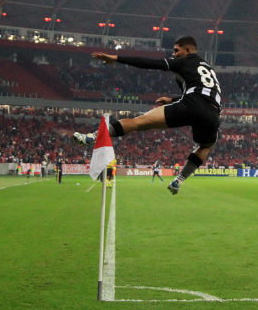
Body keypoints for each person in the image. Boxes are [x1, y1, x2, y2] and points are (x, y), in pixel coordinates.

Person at [74, 36, 221, 196]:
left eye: (176, 50)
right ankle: (179, 180)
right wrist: (172, 99)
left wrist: (116, 58)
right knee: (205, 146)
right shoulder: (209, 70)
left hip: (191, 105)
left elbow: (151, 63)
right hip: (213, 113)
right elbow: (204, 93)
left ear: (187, 50)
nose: (174, 54)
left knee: (138, 122)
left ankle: (92, 137)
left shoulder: (183, 61)